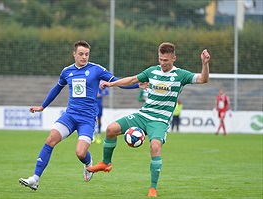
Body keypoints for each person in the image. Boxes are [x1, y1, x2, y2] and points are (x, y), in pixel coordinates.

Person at [87, 42, 210, 197]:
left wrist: (205, 64)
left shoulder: (181, 75)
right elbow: (132, 80)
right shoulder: (152, 71)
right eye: (160, 59)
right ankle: (106, 163)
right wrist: (111, 84)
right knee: (111, 129)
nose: (162, 63)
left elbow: (203, 79)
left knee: (155, 147)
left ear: (174, 59)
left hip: (160, 121)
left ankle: (153, 188)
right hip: (143, 115)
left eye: (166, 60)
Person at [18, 40, 143, 191]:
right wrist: (42, 106)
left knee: (80, 152)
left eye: (87, 54)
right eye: (81, 54)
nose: (84, 57)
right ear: (74, 54)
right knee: (50, 140)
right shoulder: (67, 71)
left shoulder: (97, 70)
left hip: (87, 119)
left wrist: (137, 84)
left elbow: (117, 82)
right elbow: (57, 89)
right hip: (70, 115)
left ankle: (88, 161)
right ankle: (35, 179)